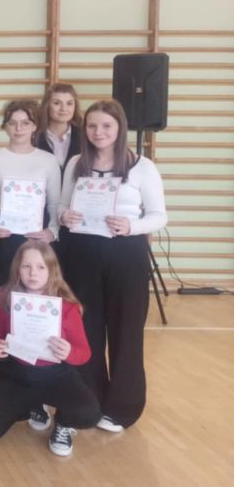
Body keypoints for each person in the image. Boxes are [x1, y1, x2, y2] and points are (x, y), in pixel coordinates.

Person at [58, 99, 167, 432]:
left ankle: (122, 408)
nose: (98, 132)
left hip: (126, 256)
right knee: (85, 329)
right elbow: (61, 206)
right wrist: (64, 215)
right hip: (81, 255)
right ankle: (88, 400)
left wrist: (131, 226)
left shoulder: (143, 167)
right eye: (92, 126)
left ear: (120, 128)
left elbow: (159, 216)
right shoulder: (76, 163)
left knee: (126, 331)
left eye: (106, 125)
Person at [0, 241, 100, 457]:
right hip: (17, 375)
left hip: (57, 376)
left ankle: (63, 423)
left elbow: (84, 352)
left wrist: (68, 353)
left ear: (51, 270)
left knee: (89, 414)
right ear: (17, 269)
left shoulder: (67, 305)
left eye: (40, 267)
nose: (33, 273)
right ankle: (32, 406)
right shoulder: (7, 296)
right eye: (26, 266)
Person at [0, 99, 61, 334]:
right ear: (5, 126)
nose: (19, 128)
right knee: (1, 295)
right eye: (12, 123)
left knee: (36, 295)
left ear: (35, 126)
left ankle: (33, 348)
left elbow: (55, 203)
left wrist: (52, 231)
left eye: (25, 123)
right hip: (3, 234)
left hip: (37, 234)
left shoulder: (48, 160)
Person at [35, 83, 83, 178]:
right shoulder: (33, 137)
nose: (63, 109)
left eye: (69, 103)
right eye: (57, 103)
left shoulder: (84, 136)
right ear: (47, 105)